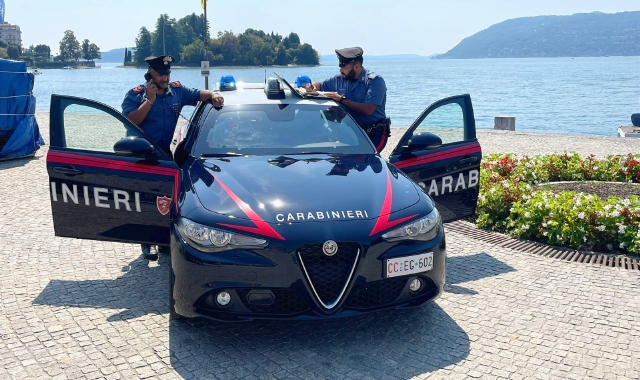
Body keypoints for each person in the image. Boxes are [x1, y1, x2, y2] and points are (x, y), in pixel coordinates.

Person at [121, 54, 224, 260]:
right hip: (141, 154)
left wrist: (213, 95)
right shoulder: (136, 95)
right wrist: (149, 101)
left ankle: (162, 241)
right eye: (160, 75)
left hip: (164, 152)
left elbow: (198, 94)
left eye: (166, 74)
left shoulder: (176, 91)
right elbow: (130, 121)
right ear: (150, 73)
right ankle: (146, 242)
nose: (164, 78)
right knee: (145, 200)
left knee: (167, 199)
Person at [306, 47, 390, 153]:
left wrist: (341, 99)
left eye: (344, 67)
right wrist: (312, 86)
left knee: (366, 161)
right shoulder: (339, 79)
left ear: (356, 66)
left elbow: (368, 110)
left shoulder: (375, 81)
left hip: (373, 133)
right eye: (340, 66)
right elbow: (321, 85)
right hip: (348, 132)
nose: (341, 70)